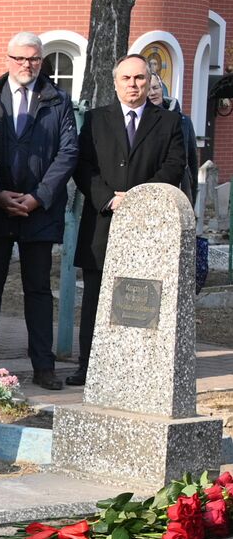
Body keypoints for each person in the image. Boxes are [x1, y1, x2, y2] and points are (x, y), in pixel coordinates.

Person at [0, 32, 77, 393]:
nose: (27, 65)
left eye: (34, 59)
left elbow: (68, 153)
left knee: (38, 291)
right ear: (7, 59)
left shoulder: (58, 100)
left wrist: (38, 197)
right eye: (20, 58)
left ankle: (44, 366)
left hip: (39, 212)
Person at [71, 54, 186, 385]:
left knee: (142, 299)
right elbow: (83, 166)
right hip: (102, 222)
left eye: (140, 78)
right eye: (126, 78)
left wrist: (137, 200)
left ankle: (138, 370)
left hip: (147, 226)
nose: (133, 84)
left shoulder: (169, 122)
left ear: (149, 81)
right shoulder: (95, 120)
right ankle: (88, 366)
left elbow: (174, 166)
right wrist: (109, 198)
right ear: (115, 82)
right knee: (95, 298)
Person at [148, 75, 198, 205]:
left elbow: (192, 161)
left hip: (179, 189)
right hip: (149, 190)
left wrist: (192, 195)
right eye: (148, 89)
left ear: (162, 89)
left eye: (156, 88)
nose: (152, 93)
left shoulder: (183, 121)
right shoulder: (138, 122)